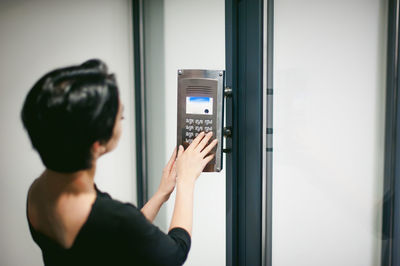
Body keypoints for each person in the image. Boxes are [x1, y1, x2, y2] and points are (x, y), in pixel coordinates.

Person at [21, 59, 217, 266]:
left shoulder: (38, 192)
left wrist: (161, 195)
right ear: (97, 144)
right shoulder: (114, 219)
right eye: (119, 116)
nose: (121, 118)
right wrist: (186, 182)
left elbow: (116, 238)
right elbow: (174, 254)